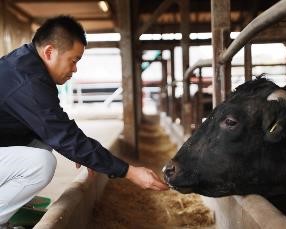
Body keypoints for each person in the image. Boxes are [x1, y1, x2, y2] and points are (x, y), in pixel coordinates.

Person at [0, 15, 168, 228]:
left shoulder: (27, 67)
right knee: (40, 164)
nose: (75, 68)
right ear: (50, 52)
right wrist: (129, 171)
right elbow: (64, 135)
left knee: (45, 143)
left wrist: (82, 152)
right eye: (74, 60)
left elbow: (58, 127)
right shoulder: (28, 81)